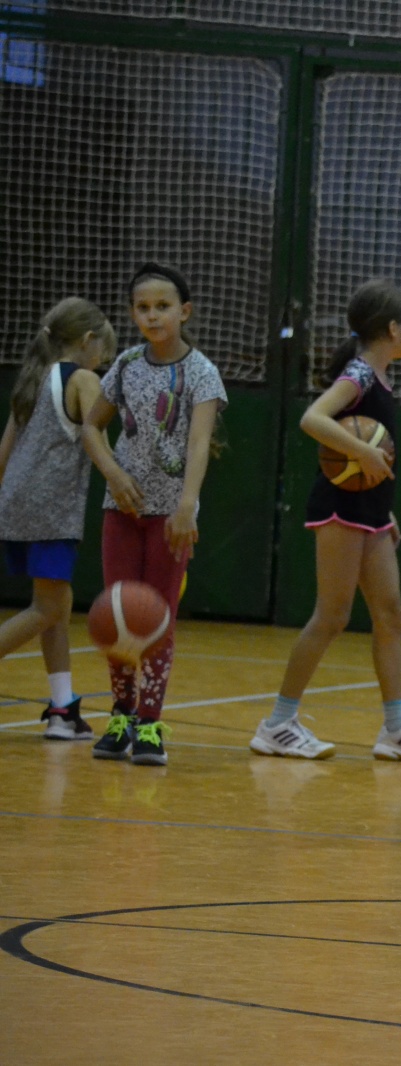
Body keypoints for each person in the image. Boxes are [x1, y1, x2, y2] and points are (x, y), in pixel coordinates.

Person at [252, 280, 401, 763]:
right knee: (332, 615)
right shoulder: (359, 373)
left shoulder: (377, 376)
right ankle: (277, 723)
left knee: (391, 613)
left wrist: (384, 507)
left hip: (371, 512)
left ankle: (396, 729)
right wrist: (361, 451)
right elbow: (313, 418)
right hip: (340, 508)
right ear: (395, 328)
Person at [89, 263, 228, 767]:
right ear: (132, 314)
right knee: (119, 614)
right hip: (122, 508)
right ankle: (121, 715)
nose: (152, 315)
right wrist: (112, 472)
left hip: (171, 514)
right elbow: (91, 426)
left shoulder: (201, 372)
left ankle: (149, 722)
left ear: (184, 312)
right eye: (143, 307)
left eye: (162, 306)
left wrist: (187, 505)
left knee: (158, 618)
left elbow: (199, 441)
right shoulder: (125, 364)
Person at [0, 298, 128, 740]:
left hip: (15, 504)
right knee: (48, 607)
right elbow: (98, 443)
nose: (103, 362)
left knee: (57, 602)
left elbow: (4, 452)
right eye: (103, 352)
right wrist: (123, 483)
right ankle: (61, 711)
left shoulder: (33, 379)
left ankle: (62, 710)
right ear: (88, 341)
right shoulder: (84, 380)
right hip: (51, 508)